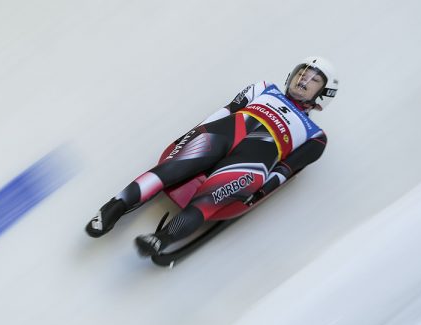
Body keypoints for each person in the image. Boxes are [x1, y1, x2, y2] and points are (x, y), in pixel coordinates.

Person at [86, 56, 340, 257]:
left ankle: (162, 239)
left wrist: (259, 193)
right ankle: (114, 207)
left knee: (207, 201)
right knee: (169, 170)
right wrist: (186, 140)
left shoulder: (315, 137)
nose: (303, 79)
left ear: (323, 94)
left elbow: (285, 171)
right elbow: (223, 113)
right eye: (302, 72)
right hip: (224, 134)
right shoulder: (263, 88)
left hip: (252, 162)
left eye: (313, 79)